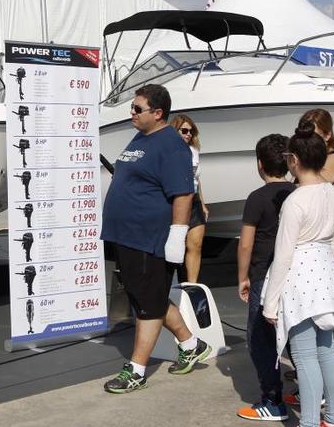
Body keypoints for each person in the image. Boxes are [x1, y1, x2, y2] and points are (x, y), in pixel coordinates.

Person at [100, 84, 211, 394]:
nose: (131, 113)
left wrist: (177, 235)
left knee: (147, 304)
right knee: (149, 296)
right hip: (127, 235)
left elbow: (184, 193)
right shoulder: (141, 137)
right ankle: (190, 344)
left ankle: (136, 369)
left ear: (157, 113)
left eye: (138, 109)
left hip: (149, 237)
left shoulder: (172, 145)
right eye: (132, 107)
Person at [262, 121, 334, 427]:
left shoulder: (294, 201)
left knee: (303, 356)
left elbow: (284, 255)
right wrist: (324, 266)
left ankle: (310, 422)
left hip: (300, 279)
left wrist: (270, 303)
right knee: (327, 349)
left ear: (294, 160)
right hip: (327, 275)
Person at [284, 109, 334, 400]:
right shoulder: (323, 161)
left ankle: (329, 381)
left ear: (327, 134)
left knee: (327, 322)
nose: (307, 135)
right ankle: (328, 382)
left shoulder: (331, 160)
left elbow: (311, 186)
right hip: (326, 249)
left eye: (312, 130)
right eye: (303, 128)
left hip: (326, 249)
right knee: (325, 323)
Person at [235, 134, 295, 422]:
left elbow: (245, 243)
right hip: (295, 273)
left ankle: (272, 398)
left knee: (260, 336)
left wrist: (242, 276)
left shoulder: (257, 198)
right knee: (297, 335)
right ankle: (311, 391)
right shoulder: (298, 192)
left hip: (263, 274)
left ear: (260, 164)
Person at [169, 114, 210, 283]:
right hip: (175, 201)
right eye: (184, 130)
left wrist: (203, 202)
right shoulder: (168, 151)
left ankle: (192, 285)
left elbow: (196, 178)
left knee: (196, 245)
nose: (188, 135)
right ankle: (170, 283)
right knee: (175, 245)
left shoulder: (194, 151)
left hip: (194, 202)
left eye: (191, 131)